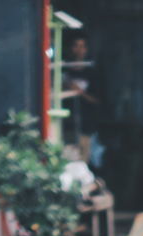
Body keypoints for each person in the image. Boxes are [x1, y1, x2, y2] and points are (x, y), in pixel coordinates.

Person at [63, 34, 101, 163]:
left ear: (86, 49)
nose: (79, 50)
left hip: (85, 124)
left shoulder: (92, 72)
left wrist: (79, 92)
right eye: (76, 46)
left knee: (82, 161)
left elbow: (97, 100)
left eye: (82, 46)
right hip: (66, 124)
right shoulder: (64, 70)